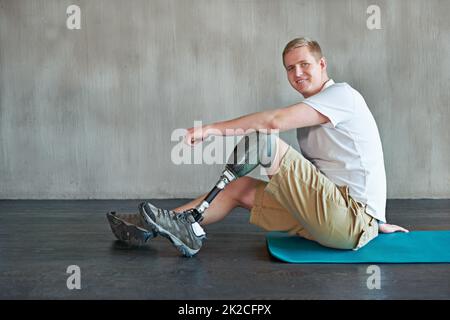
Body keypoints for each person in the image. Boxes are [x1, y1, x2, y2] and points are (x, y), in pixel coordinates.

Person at [107, 37, 408, 257]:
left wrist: (212, 129)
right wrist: (376, 221)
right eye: (291, 68)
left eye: (305, 65)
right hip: (331, 218)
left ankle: (185, 226)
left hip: (348, 219)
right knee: (240, 189)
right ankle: (155, 224)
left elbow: (273, 121)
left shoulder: (343, 96)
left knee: (265, 139)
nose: (298, 73)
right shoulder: (315, 110)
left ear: (322, 64)